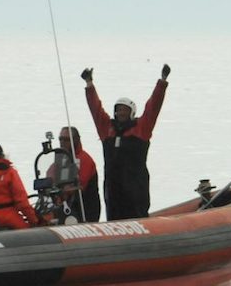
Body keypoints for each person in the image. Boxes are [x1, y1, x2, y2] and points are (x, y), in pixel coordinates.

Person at [82, 63, 170, 220]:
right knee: (114, 218)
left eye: (125, 110)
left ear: (132, 112)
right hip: (113, 190)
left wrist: (162, 81)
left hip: (136, 190)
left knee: (137, 216)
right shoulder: (107, 129)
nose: (121, 112)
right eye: (119, 109)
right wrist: (89, 84)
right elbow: (95, 109)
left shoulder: (141, 128)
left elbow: (153, 107)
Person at [46, 126, 101, 223]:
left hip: (83, 209)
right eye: (60, 139)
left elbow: (80, 184)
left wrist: (63, 190)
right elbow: (50, 176)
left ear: (76, 140)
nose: (62, 142)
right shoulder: (60, 160)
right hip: (65, 207)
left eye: (66, 140)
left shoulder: (85, 160)